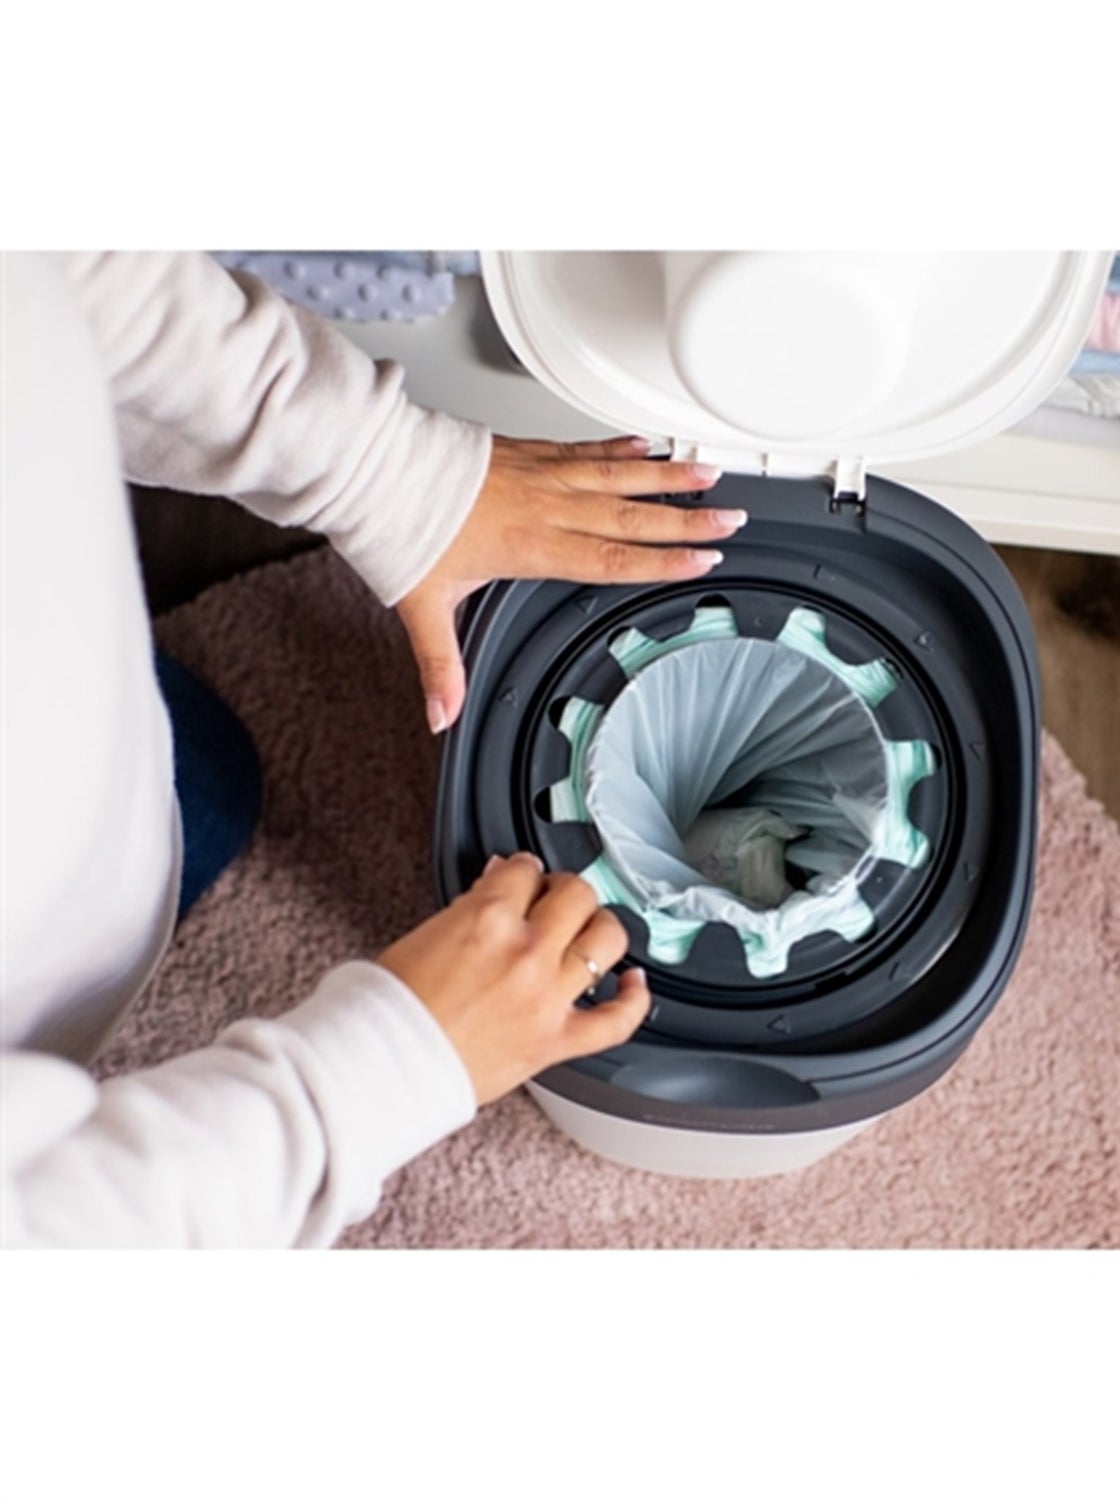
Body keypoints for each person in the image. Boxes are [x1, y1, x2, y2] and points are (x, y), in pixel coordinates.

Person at [0, 251, 748, 1247]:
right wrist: (381, 1068)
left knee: (208, 782)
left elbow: (62, 267)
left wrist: (390, 473)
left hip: (92, 776)